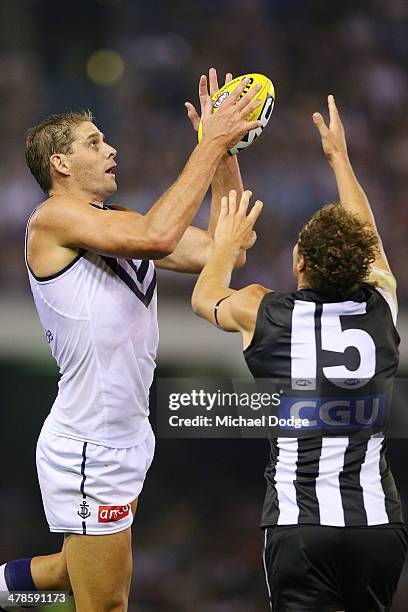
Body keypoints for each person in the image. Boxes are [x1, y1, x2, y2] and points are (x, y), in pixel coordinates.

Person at [0, 69, 262, 612]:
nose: (111, 149)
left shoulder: (115, 223)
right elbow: (157, 237)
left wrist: (226, 151)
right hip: (89, 442)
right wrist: (208, 141)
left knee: (64, 574)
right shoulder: (50, 220)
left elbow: (227, 252)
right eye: (94, 143)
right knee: (109, 604)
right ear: (61, 164)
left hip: (126, 435)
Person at [191, 95, 407, 611]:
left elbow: (204, 297)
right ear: (361, 265)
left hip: (299, 524)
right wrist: (340, 159)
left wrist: (226, 239)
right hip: (377, 523)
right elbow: (371, 243)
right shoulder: (380, 306)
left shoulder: (265, 312)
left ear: (300, 261)